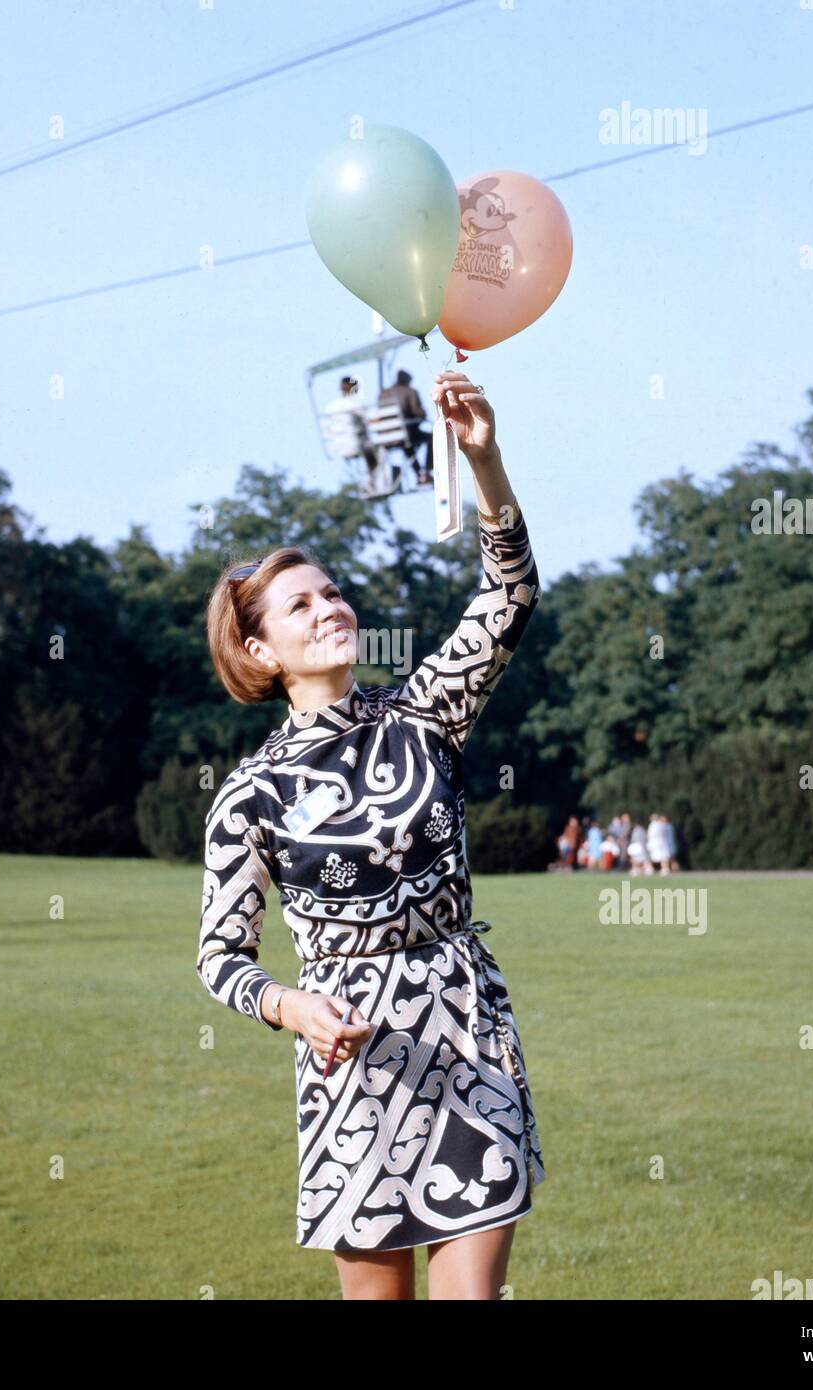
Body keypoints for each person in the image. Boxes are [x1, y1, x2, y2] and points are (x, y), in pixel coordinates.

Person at [198, 369, 544, 1300]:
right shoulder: (249, 796)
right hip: (355, 1055)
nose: (331, 608)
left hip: (467, 1028)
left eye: (333, 591)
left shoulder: (424, 716)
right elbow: (219, 959)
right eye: (301, 606)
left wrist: (484, 460)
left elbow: (509, 594)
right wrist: (293, 1008)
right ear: (262, 652)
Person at [321, 375, 389, 493]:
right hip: (356, 444)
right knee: (380, 449)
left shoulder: (330, 407)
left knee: (368, 450)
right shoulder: (355, 404)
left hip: (339, 446)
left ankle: (370, 481)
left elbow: (327, 428)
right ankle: (375, 480)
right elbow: (369, 419)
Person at [378, 369, 434, 486]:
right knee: (431, 437)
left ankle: (419, 474)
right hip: (405, 434)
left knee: (408, 446)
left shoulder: (383, 394)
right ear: (407, 380)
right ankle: (427, 472)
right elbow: (419, 414)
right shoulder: (410, 392)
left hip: (385, 438)